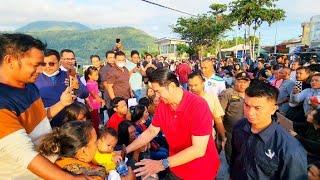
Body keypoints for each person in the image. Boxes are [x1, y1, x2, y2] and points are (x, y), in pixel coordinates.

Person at [0, 33, 80, 179]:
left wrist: (62, 103)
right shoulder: (2, 102)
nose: (41, 70)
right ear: (10, 60)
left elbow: (40, 119)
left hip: (50, 164)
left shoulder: (29, 87)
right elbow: (26, 155)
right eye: (36, 65)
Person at [125, 68, 220, 179]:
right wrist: (125, 150)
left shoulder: (198, 106)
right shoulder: (163, 104)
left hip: (200, 171)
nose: (156, 96)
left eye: (158, 91)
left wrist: (161, 164)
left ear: (171, 87)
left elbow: (198, 149)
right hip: (176, 166)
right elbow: (151, 131)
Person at [230, 80, 307, 179]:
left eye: (257, 108)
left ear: (273, 109)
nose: (250, 113)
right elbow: (235, 158)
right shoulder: (239, 127)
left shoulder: (290, 149)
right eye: (247, 105)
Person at [35, 49, 89, 127]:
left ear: (59, 62)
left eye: (51, 63)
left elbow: (84, 94)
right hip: (47, 123)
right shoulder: (35, 78)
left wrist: (77, 87)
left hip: (69, 122)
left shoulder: (69, 75)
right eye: (44, 64)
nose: (47, 67)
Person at [37, 121, 106, 178]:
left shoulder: (56, 165)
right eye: (95, 142)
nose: (97, 144)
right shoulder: (92, 176)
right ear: (83, 151)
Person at [219, 72, 250, 164]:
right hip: (231, 132)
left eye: (245, 82)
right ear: (235, 81)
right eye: (240, 81)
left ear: (248, 83)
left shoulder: (251, 94)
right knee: (231, 154)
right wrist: (222, 132)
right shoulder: (227, 93)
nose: (242, 84)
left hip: (248, 131)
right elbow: (220, 114)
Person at [187, 72, 226, 144]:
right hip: (189, 138)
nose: (193, 88)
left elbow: (218, 119)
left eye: (196, 85)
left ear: (203, 83)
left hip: (207, 138)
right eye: (190, 85)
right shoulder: (185, 99)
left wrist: (223, 137)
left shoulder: (211, 97)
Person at [85, 66, 105, 132]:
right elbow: (94, 95)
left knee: (96, 119)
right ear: (89, 76)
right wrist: (102, 100)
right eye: (95, 75)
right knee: (95, 120)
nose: (97, 76)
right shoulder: (90, 84)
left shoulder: (94, 82)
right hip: (92, 106)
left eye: (98, 74)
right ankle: (96, 133)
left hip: (95, 104)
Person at [99, 50, 116, 117]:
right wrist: (113, 97)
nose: (112, 59)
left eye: (113, 57)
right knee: (112, 116)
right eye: (110, 57)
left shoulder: (117, 68)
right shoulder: (104, 69)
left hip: (117, 95)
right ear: (106, 59)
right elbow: (105, 84)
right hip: (110, 97)